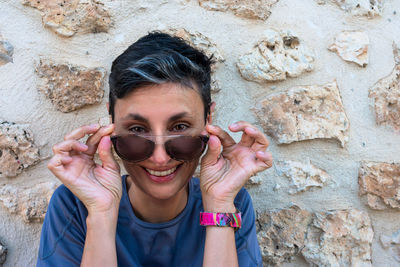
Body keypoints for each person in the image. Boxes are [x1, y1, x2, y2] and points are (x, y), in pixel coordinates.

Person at [37, 32, 273, 267]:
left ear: (208, 119)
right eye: (137, 130)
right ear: (112, 122)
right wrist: (101, 214)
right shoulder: (76, 204)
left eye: (180, 127)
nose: (160, 158)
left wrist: (220, 207)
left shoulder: (231, 201)